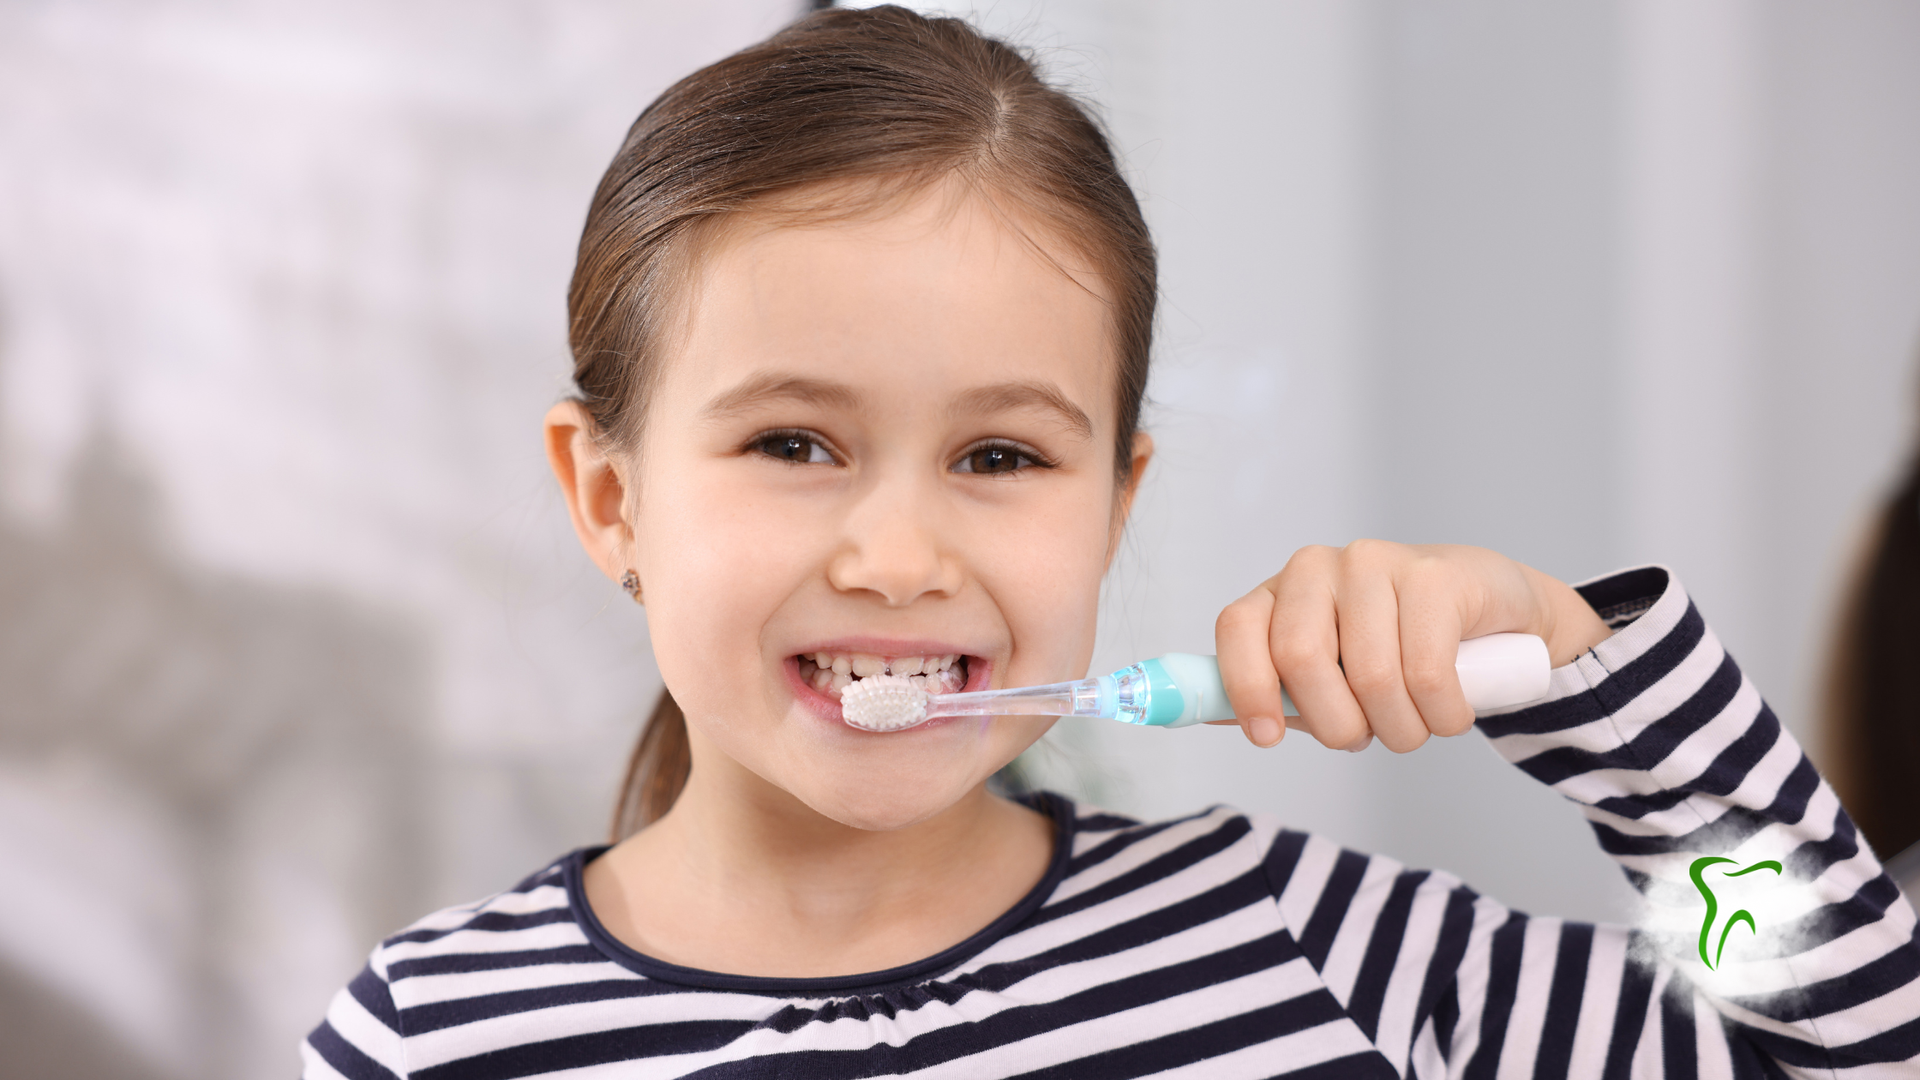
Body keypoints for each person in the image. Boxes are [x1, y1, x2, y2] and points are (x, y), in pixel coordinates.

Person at [302, 8, 1919, 1077]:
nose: (898, 553)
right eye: (793, 443)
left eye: (1001, 455)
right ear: (612, 500)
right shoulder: (431, 1032)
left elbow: (1826, 1039)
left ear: (1115, 504)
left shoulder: (1319, 950)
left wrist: (1596, 696)